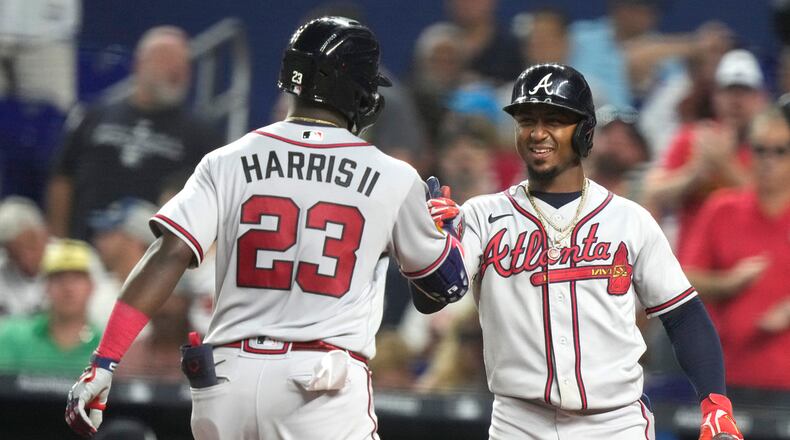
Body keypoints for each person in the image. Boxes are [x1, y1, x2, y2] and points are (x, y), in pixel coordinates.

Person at [65, 16, 468, 439]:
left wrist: (104, 361)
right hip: (320, 387)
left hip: (225, 384)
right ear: (354, 87)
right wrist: (447, 231)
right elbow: (443, 289)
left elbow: (167, 253)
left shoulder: (227, 158)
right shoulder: (393, 175)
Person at [427, 63, 743, 439]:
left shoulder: (630, 219)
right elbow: (434, 297)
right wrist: (431, 247)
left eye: (554, 120)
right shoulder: (481, 214)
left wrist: (715, 403)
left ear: (585, 130)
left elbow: (684, 315)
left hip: (615, 423)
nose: (538, 132)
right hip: (519, 422)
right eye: (527, 120)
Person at [46, 25, 223, 240]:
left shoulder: (201, 135)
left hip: (150, 252)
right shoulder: (95, 116)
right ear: (139, 64)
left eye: (184, 64)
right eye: (167, 60)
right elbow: (63, 177)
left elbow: (214, 201)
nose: (177, 70)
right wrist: (58, 239)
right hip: (84, 248)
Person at [681, 103, 790, 390]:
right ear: (747, 154)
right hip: (729, 377)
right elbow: (685, 278)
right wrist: (727, 283)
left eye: (780, 151)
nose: (768, 159)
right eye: (760, 149)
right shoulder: (721, 208)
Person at [644, 48, 768, 255]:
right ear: (715, 97)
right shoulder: (691, 138)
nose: (736, 101)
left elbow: (772, 206)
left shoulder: (771, 147)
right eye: (729, 91)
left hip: (751, 260)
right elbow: (653, 192)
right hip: (692, 264)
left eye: (744, 91)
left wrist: (725, 166)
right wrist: (694, 173)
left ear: (759, 98)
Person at [0, 239, 100, 376]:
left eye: (77, 278)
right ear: (45, 287)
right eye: (59, 278)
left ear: (91, 286)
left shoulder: (108, 346)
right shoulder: (12, 336)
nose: (68, 288)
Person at [0, 196, 48, 317]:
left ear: (43, 235)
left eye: (29, 246)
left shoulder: (77, 260)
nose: (24, 258)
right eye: (14, 253)